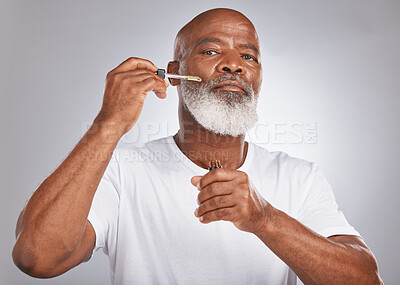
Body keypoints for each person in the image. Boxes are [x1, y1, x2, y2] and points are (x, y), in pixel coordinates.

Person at [12, 8, 382, 285]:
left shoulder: (299, 177)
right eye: (210, 51)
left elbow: (366, 280)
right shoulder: (122, 171)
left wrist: (264, 219)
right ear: (173, 73)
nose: (233, 66)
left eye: (248, 56)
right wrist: (107, 125)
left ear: (258, 77)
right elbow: (36, 257)